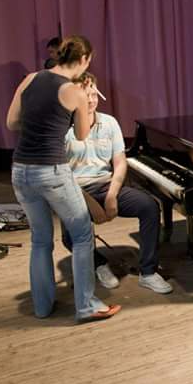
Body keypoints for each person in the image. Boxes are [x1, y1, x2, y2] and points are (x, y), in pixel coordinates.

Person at [7, 35, 121, 322]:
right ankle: (87, 306)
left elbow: (11, 122)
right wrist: (77, 103)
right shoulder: (75, 91)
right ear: (83, 59)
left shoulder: (31, 78)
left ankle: (42, 307)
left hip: (20, 170)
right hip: (52, 170)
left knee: (40, 240)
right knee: (82, 235)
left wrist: (40, 121)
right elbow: (82, 135)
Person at [62, 72, 172, 294]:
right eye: (85, 95)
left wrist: (112, 195)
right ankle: (99, 264)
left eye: (94, 94)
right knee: (69, 236)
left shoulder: (109, 122)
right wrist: (92, 205)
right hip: (75, 191)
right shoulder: (62, 128)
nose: (90, 100)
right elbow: (62, 174)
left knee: (149, 207)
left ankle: (148, 272)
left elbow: (120, 163)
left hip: (106, 185)